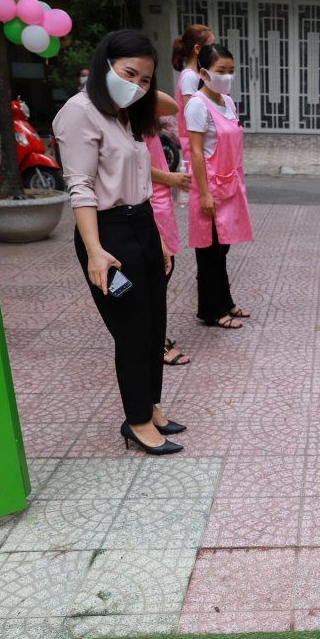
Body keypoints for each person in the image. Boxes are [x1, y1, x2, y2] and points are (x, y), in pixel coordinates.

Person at [53, 29, 187, 455]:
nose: (139, 86)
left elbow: (141, 174)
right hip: (108, 231)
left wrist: (160, 239)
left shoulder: (125, 111)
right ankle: (137, 421)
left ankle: (150, 403)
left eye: (146, 79)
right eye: (130, 73)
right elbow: (80, 187)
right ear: (103, 64)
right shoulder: (79, 113)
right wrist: (95, 250)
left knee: (154, 327)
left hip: (143, 223)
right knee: (131, 331)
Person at [185, 43, 253, 329]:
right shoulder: (197, 105)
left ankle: (225, 301)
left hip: (230, 185)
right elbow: (196, 151)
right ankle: (211, 310)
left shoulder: (227, 101)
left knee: (222, 250)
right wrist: (204, 194)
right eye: (220, 71)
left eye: (231, 71)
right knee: (209, 253)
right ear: (203, 72)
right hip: (210, 187)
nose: (227, 76)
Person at [147, 91, 193, 364]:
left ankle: (156, 334)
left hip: (160, 197)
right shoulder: (122, 117)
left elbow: (171, 106)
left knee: (165, 266)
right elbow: (132, 161)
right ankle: (155, 341)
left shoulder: (142, 109)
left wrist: (141, 86)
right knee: (156, 273)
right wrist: (169, 178)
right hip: (145, 196)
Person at [171, 24, 215, 165]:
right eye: (211, 46)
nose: (214, 51)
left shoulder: (198, 74)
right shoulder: (190, 77)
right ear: (197, 49)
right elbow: (193, 116)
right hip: (196, 145)